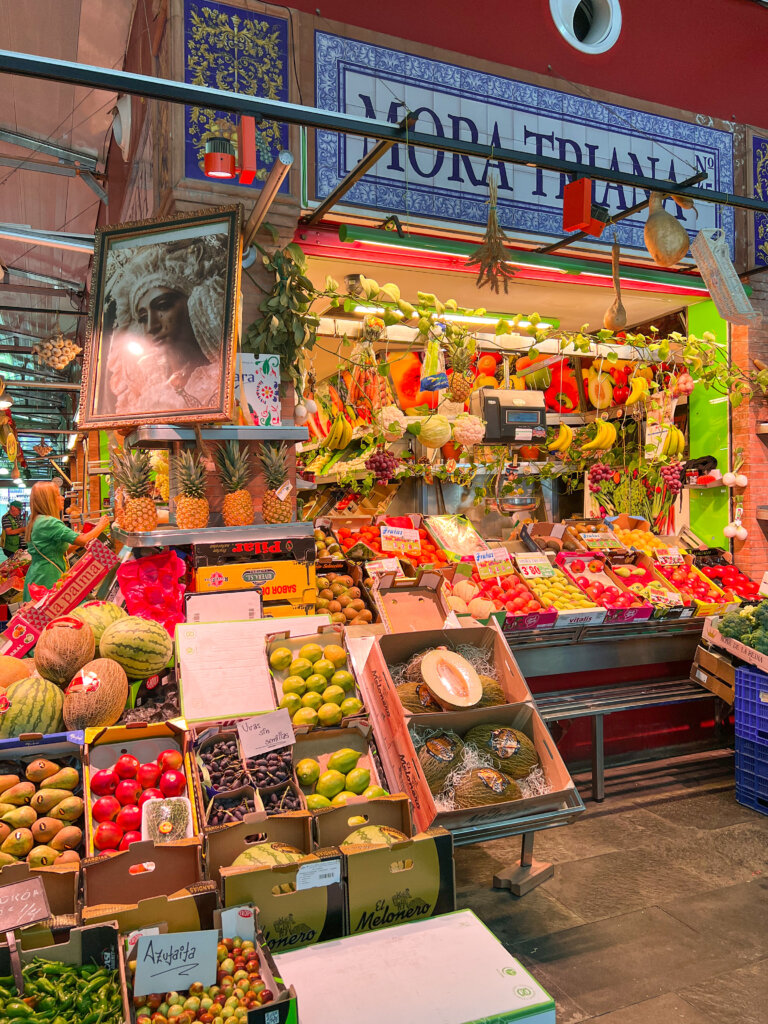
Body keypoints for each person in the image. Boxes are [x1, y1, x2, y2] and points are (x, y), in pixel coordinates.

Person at [101, 233, 229, 417]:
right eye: (143, 318)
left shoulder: (219, 377)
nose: (152, 326)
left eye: (163, 306)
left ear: (195, 302)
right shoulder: (150, 391)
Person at [23, 482, 110, 601]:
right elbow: (83, 541)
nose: (62, 498)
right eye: (58, 495)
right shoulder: (49, 522)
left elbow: (55, 550)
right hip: (47, 578)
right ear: (49, 500)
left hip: (39, 574)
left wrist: (76, 540)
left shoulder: (38, 520)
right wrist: (101, 525)